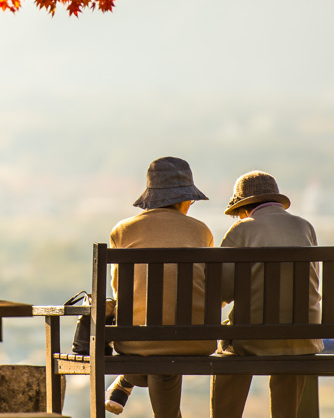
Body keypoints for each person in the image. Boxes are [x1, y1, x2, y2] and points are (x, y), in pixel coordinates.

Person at [105, 156, 215, 418]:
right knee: (167, 347)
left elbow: (120, 291)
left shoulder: (121, 231)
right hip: (196, 341)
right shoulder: (201, 232)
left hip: (135, 342)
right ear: (184, 199)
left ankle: (126, 381)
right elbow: (212, 290)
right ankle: (129, 385)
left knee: (155, 346)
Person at [210, 171, 322, 418]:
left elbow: (222, 292)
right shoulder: (305, 226)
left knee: (228, 351)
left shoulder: (241, 230)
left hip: (253, 338)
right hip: (303, 337)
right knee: (291, 352)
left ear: (245, 207)